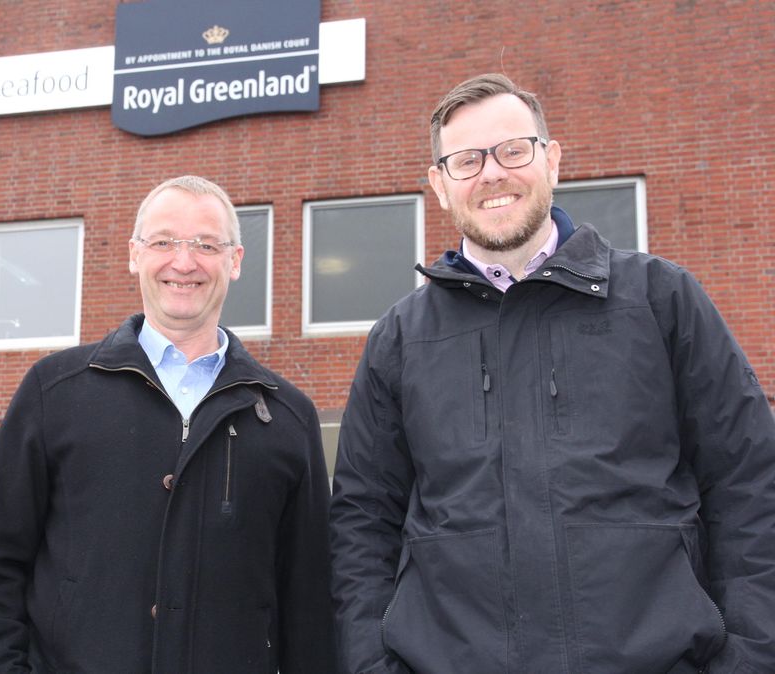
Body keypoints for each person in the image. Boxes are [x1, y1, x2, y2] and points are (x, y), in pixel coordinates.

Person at [329, 73, 775, 674]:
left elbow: (749, 485)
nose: (492, 173)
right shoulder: (400, 339)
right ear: (439, 184)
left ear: (551, 159)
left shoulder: (661, 300)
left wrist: (748, 658)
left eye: (513, 150)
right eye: (466, 160)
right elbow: (361, 523)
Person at [0, 176, 338, 673]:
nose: (184, 261)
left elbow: (311, 609)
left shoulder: (285, 416)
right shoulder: (55, 392)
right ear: (135, 254)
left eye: (206, 244)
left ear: (235, 261)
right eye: (164, 241)